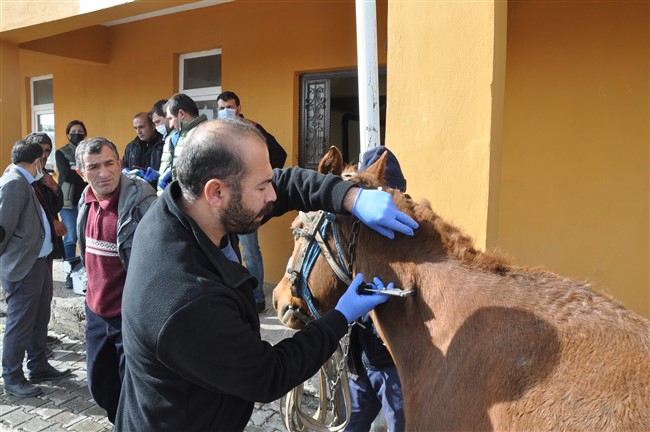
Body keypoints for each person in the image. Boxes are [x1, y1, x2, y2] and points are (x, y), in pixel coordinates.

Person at [115, 119, 418, 431]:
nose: (273, 196)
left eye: (268, 182)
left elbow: (284, 184)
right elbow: (269, 374)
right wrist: (341, 315)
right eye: (262, 188)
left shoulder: (184, 206)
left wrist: (349, 196)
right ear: (216, 191)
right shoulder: (185, 300)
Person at [75, 137, 157, 423]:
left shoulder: (143, 204)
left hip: (128, 317)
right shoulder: (84, 200)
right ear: (80, 172)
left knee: (132, 389)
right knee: (100, 385)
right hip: (96, 312)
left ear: (120, 163)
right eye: (93, 166)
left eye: (110, 163)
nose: (103, 173)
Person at [1, 140, 72, 398]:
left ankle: (39, 366)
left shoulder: (27, 181)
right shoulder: (14, 183)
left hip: (38, 262)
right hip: (24, 267)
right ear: (37, 161)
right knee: (20, 323)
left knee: (39, 318)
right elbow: (2, 230)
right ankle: (12, 376)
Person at [346, 146, 408, 432]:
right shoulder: (357, 232)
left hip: (392, 365)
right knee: (353, 422)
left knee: (400, 425)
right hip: (360, 361)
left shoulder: (408, 233)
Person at [216, 90, 288, 312]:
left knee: (250, 250)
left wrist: (261, 180)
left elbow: (280, 154)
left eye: (229, 107)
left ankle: (256, 299)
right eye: (220, 108)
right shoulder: (219, 133)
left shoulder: (252, 129)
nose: (225, 111)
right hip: (225, 201)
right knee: (230, 250)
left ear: (238, 108)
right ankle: (237, 294)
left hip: (248, 201)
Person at [55, 120, 88, 288]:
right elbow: (66, 174)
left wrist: (79, 171)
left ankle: (84, 271)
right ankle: (69, 273)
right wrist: (85, 174)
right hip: (68, 203)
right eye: (73, 131)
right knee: (70, 238)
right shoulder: (61, 152)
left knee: (86, 237)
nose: (77, 133)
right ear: (68, 135)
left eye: (80, 131)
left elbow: (91, 169)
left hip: (87, 201)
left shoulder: (88, 151)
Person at [157, 93, 208, 195]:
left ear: (182, 114)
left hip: (189, 200)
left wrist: (175, 184)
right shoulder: (174, 136)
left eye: (171, 118)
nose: (170, 125)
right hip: (171, 198)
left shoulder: (203, 134)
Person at [121, 112, 165, 187]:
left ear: (153, 126)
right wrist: (124, 171)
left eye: (141, 127)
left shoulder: (164, 144)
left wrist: (158, 176)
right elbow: (123, 165)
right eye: (135, 128)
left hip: (158, 191)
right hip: (136, 192)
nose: (138, 131)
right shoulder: (131, 147)